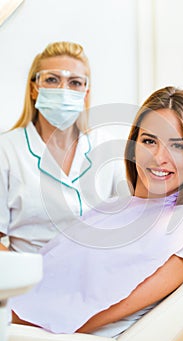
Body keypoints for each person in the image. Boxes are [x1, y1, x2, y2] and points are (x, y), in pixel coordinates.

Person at [10, 87, 183, 341]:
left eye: (177, 146)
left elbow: (82, 320)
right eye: (149, 141)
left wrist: (10, 320)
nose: (159, 157)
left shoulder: (180, 240)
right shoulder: (116, 207)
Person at [0, 41, 127, 253]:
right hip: (30, 280)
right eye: (52, 79)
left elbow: (128, 219)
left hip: (95, 276)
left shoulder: (105, 147)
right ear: (34, 89)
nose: (63, 90)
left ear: (85, 93)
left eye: (75, 82)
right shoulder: (6, 150)